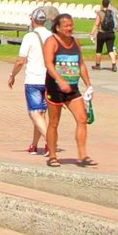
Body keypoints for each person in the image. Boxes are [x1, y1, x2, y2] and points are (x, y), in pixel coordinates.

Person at [42, 12, 95, 166]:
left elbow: (81, 64)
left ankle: (82, 155)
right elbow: (48, 63)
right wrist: (60, 80)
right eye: (66, 26)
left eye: (71, 25)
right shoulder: (51, 42)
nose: (70, 28)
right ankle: (52, 156)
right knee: (54, 122)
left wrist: (88, 84)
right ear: (57, 28)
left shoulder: (75, 42)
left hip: (72, 89)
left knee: (82, 119)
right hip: (55, 89)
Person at [10, 8, 53, 154]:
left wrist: (12, 75)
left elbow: (20, 61)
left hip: (33, 80)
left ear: (33, 20)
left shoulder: (29, 37)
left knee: (34, 113)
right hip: (48, 80)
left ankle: (50, 141)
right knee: (41, 114)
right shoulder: (51, 36)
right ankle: (34, 145)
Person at [92, 0, 118, 72]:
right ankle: (114, 65)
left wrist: (92, 32)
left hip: (102, 33)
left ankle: (97, 64)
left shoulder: (100, 13)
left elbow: (96, 24)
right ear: (108, 4)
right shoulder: (112, 12)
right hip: (111, 33)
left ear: (102, 4)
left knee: (99, 50)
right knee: (110, 50)